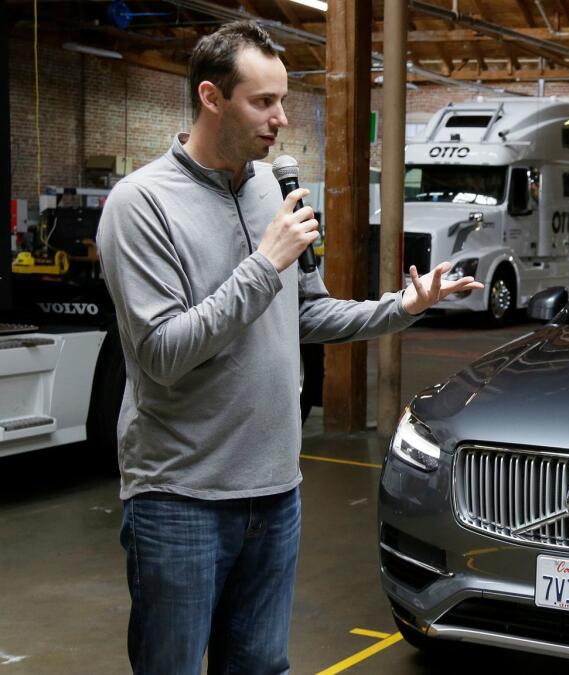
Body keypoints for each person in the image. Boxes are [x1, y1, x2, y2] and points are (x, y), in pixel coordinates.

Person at [95, 20, 482, 675]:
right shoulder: (140, 205)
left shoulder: (267, 188)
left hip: (276, 493)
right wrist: (264, 262)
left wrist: (401, 307)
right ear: (212, 97)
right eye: (263, 101)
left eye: (283, 99)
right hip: (181, 497)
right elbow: (162, 351)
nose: (281, 118)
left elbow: (302, 311)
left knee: (260, 665)